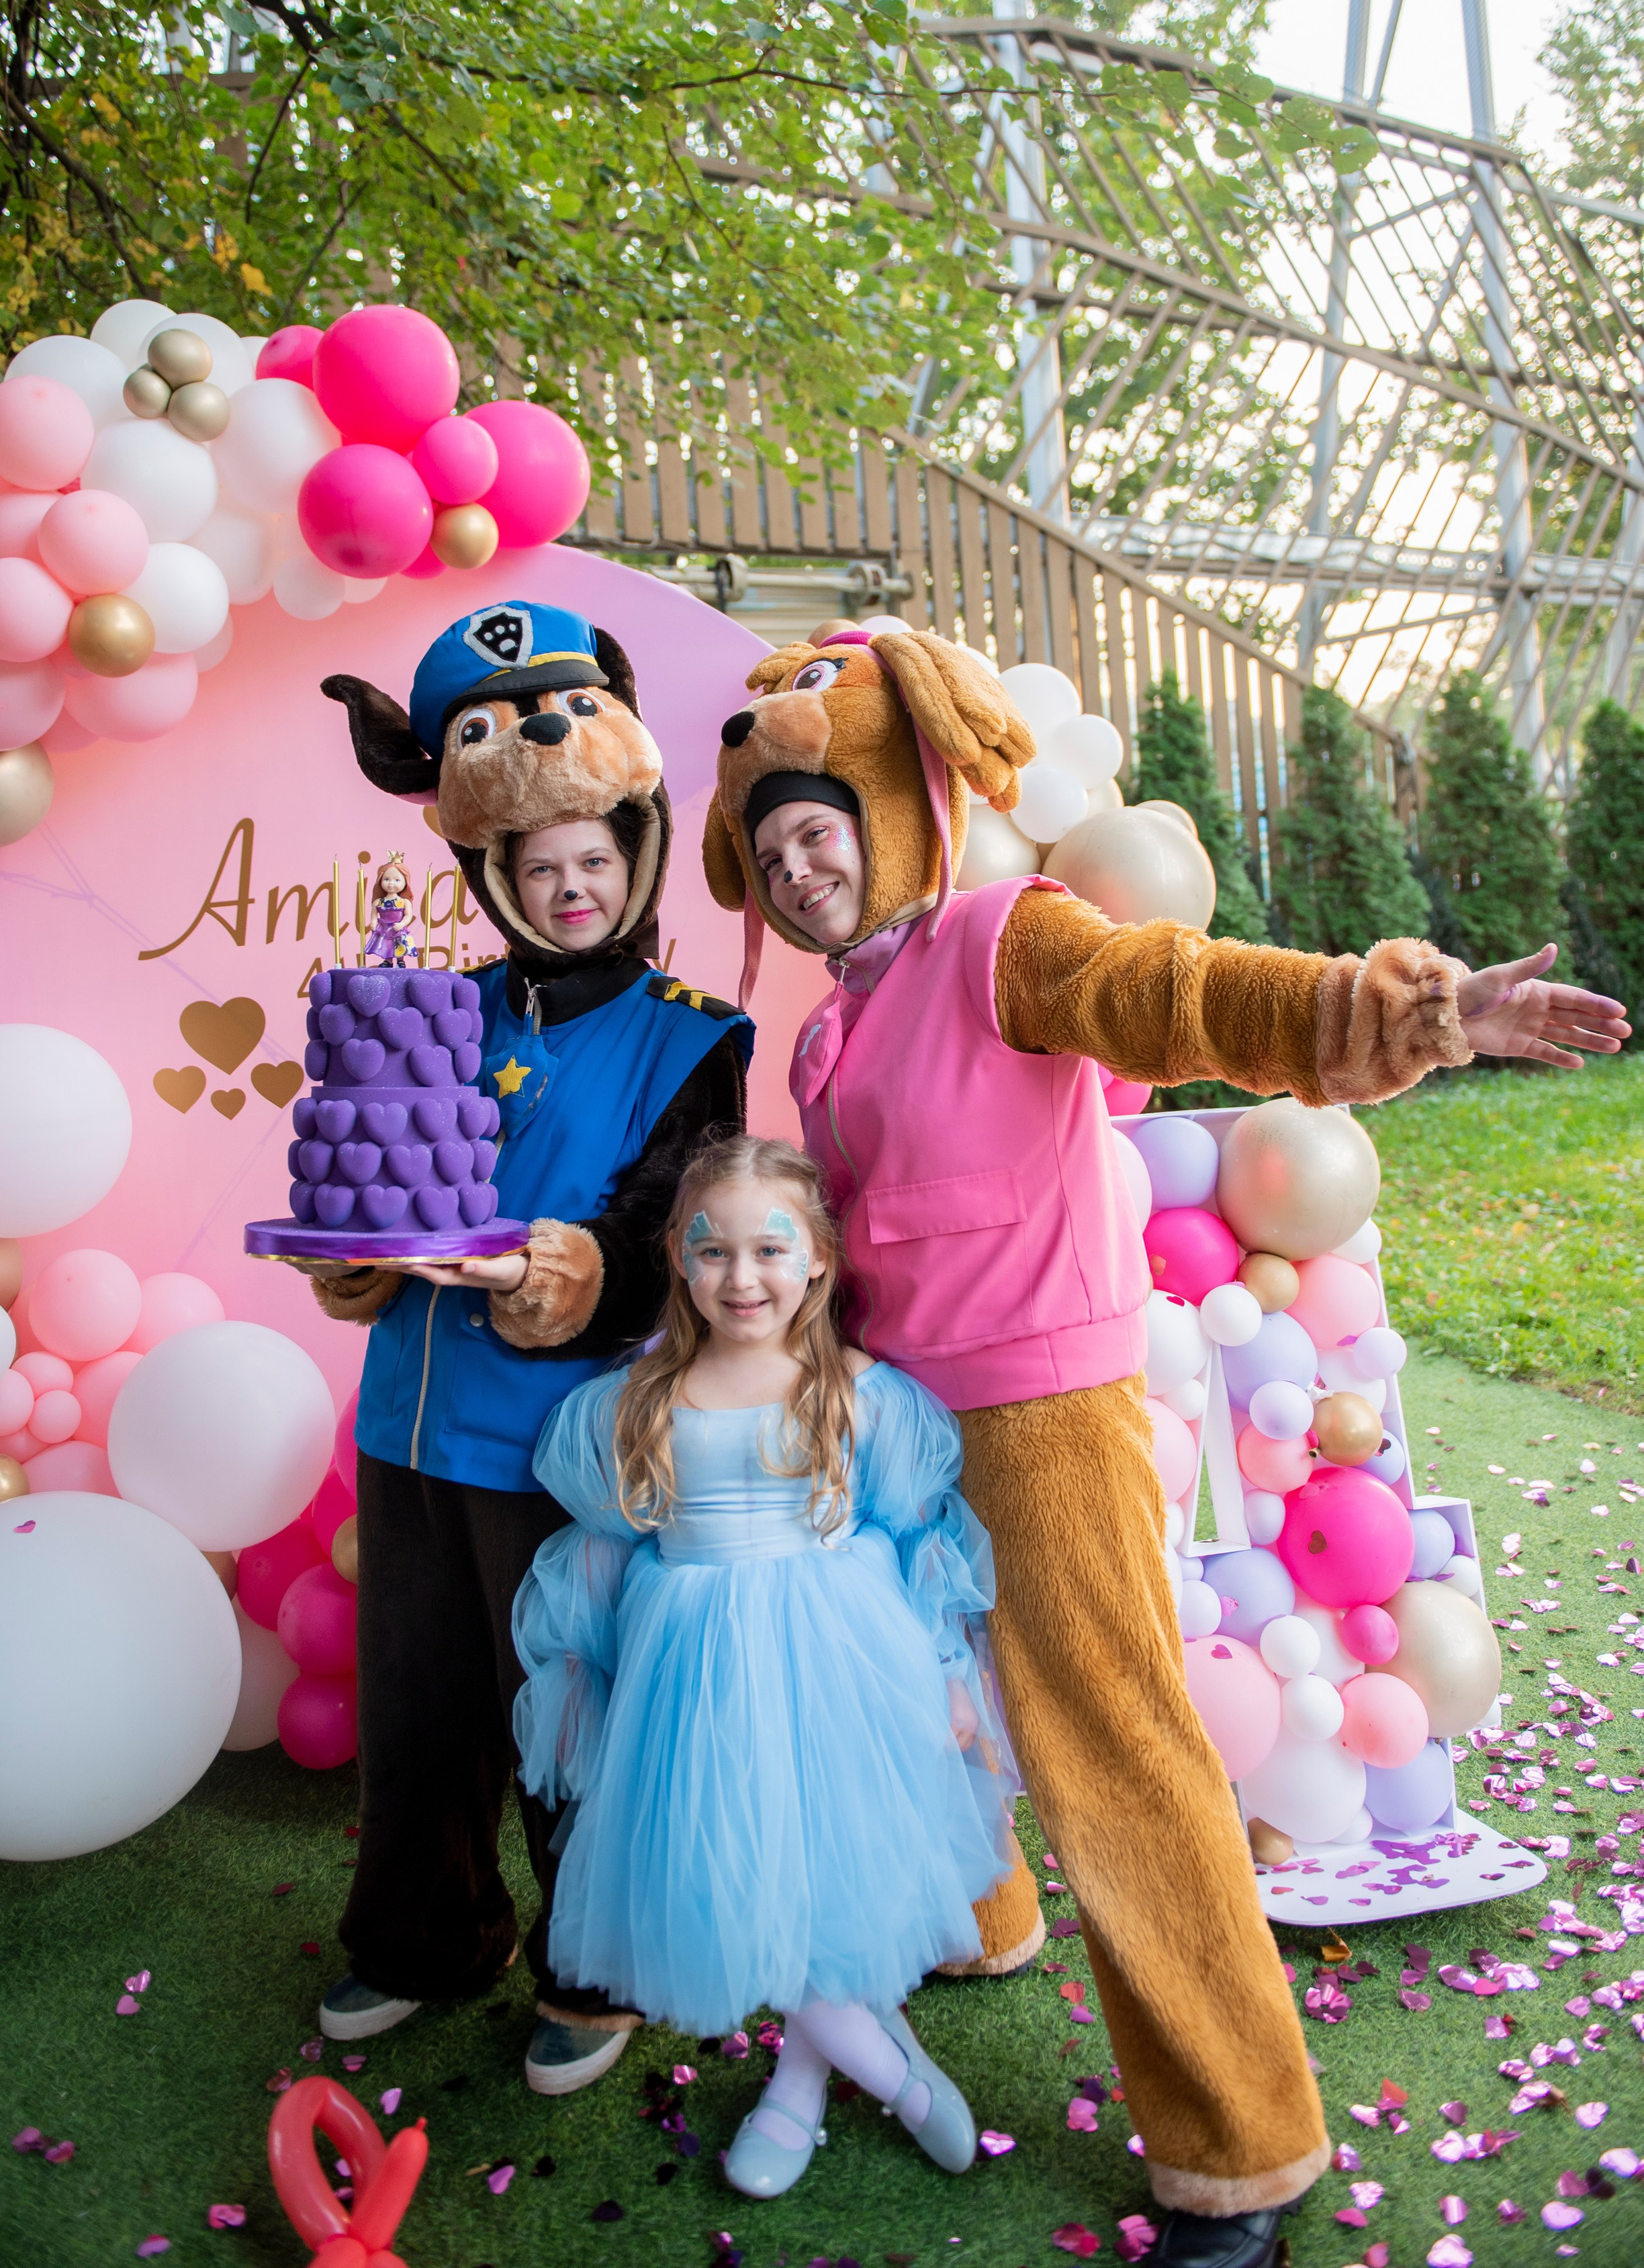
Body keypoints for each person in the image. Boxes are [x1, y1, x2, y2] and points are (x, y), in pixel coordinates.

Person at [702, 620, 1630, 2268]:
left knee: (1115, 1759)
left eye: (820, 827)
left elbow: (1178, 991)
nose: (797, 867)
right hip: (902, 1427)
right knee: (913, 1702)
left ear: (899, 809)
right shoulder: (829, 1027)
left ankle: (1238, 2148)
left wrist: (1395, 1008)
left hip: (1038, 1422)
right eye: (770, 851)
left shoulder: (1001, 938)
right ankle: (976, 1922)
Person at [303, 598, 752, 2099]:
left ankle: (596, 1966)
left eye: (595, 863)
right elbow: (381, 1187)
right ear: (496, 873)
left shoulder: (695, 1036)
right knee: (418, 1707)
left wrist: (562, 1272)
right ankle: (425, 1936)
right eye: (541, 866)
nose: (571, 889)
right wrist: (355, 1259)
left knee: (565, 1716)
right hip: (406, 1426)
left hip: (560, 1443)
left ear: (637, 855)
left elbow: (673, 1241)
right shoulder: (434, 1013)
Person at [512, 1133, 1013, 2198]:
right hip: (696, 1672)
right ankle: (896, 2075)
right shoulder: (639, 1399)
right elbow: (608, 1544)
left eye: (771, 1249)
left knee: (823, 1871)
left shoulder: (859, 1393)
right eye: (713, 1251)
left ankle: (806, 2084)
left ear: (819, 1256)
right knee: (744, 1869)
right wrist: (591, 1684)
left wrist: (943, 1667)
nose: (742, 1277)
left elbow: (913, 1535)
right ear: (679, 1259)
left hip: (842, 1657)